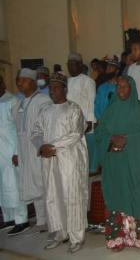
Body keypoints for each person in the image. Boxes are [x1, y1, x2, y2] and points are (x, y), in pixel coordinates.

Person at [95, 76, 140, 252]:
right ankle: (118, 238)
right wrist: (112, 139)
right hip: (116, 165)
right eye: (119, 87)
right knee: (117, 195)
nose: (121, 90)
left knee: (138, 195)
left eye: (125, 87)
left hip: (135, 163)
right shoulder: (109, 111)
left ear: (132, 88)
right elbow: (100, 134)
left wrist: (127, 140)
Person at [31, 73, 88, 253]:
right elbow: (35, 132)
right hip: (50, 160)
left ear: (65, 89)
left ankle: (76, 237)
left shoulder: (73, 109)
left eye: (56, 88)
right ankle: (59, 233)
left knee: (71, 196)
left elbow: (76, 134)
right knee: (53, 196)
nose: (52, 91)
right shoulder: (45, 111)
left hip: (69, 160)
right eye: (50, 88)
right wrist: (42, 146)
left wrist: (52, 146)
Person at [14, 68, 51, 231]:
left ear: (33, 81)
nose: (19, 83)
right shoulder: (20, 102)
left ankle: (51, 219)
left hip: (38, 147)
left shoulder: (43, 100)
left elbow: (46, 126)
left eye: (23, 80)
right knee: (32, 184)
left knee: (42, 182)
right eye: (19, 80)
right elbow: (17, 131)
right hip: (24, 150)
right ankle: (41, 220)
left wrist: (42, 146)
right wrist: (16, 152)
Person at [0, 76, 30, 236]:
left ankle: (22, 220)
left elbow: (20, 129)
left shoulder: (12, 101)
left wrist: (17, 152)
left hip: (11, 151)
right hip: (0, 152)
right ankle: (9, 218)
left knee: (14, 186)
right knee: (2, 188)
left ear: (3, 83)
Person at [67, 52, 96, 133]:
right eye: (68, 65)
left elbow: (92, 102)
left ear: (80, 65)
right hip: (69, 122)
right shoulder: (67, 81)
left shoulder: (88, 81)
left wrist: (90, 121)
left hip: (84, 122)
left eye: (72, 64)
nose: (69, 67)